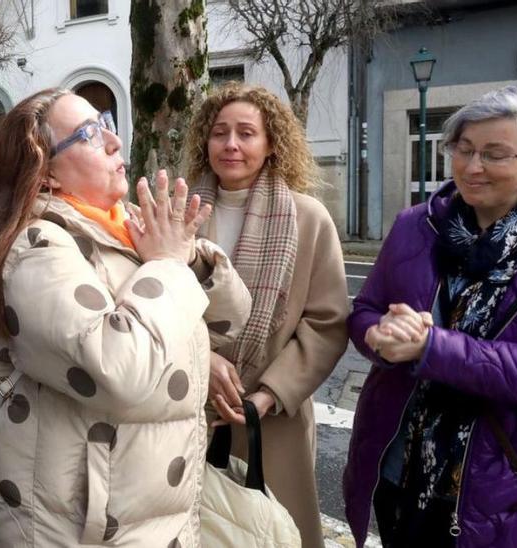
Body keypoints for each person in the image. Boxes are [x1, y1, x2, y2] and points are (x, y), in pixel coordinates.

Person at [0, 88, 252, 546]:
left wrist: (188, 257)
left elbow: (228, 323)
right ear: (46, 171)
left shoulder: (123, 225)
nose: (114, 142)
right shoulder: (38, 247)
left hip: (145, 514)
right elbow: (118, 368)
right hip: (77, 527)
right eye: (89, 134)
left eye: (107, 123)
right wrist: (168, 265)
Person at [342, 85, 517, 547]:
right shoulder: (417, 225)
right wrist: (378, 334)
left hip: (510, 485)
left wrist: (433, 349)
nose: (472, 167)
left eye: (495, 154)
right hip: (405, 468)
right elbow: (366, 311)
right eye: (463, 148)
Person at [182, 83, 349, 547]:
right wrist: (204, 361)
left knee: (274, 532)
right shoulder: (180, 213)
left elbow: (326, 324)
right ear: (205, 142)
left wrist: (267, 396)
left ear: (271, 143)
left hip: (270, 421)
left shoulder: (308, 218)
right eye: (219, 133)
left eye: (246, 133)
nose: (231, 144)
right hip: (188, 408)